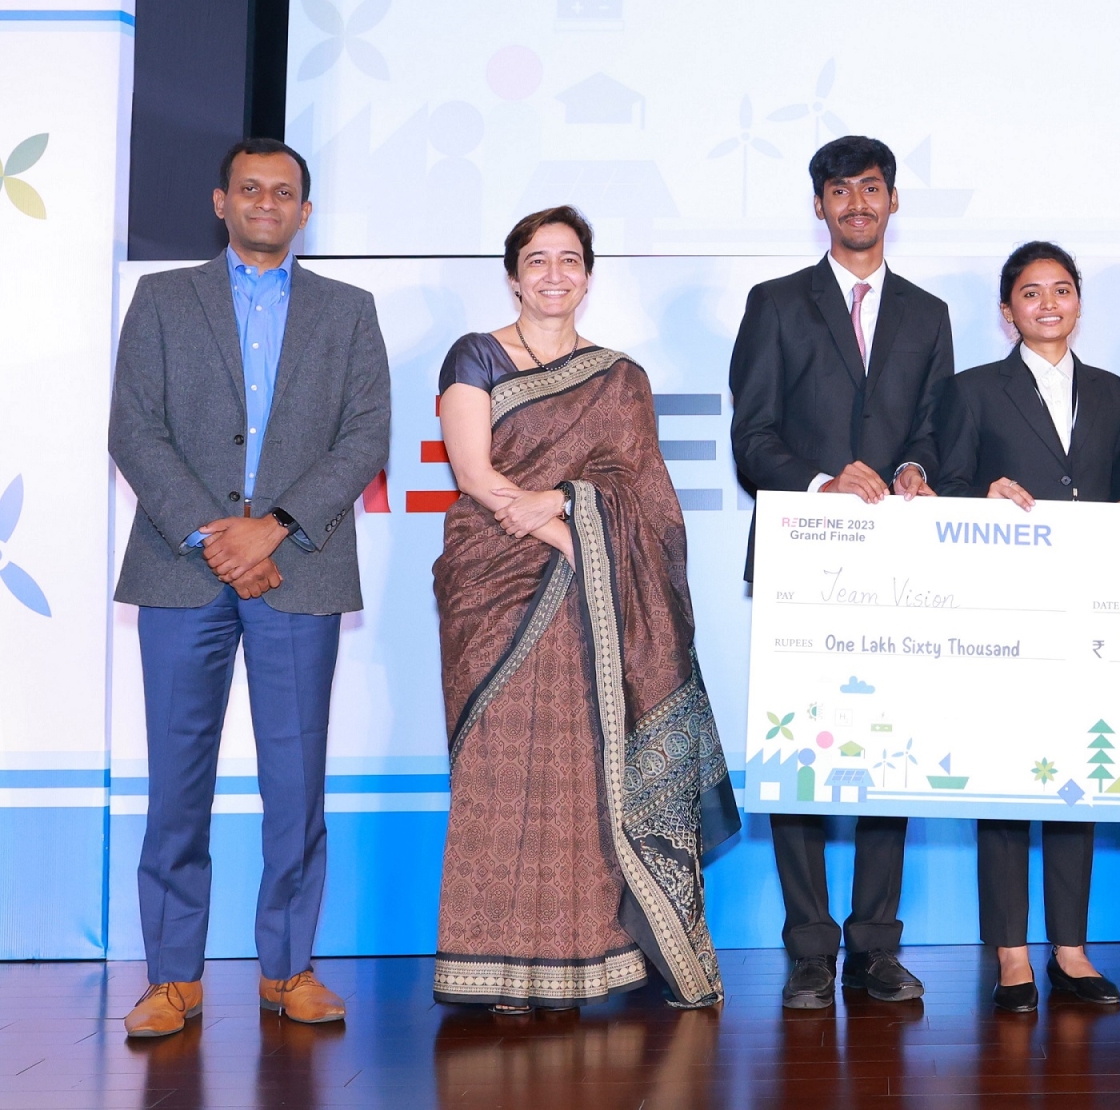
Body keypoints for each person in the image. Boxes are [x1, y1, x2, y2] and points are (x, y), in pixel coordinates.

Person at [108, 137, 391, 1037]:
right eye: (251, 189)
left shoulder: (348, 311)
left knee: (295, 783)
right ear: (221, 202)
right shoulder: (161, 300)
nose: (267, 202)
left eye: (285, 192)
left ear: (306, 212)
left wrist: (271, 527)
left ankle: (287, 970)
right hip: (179, 566)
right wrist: (213, 533)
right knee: (177, 785)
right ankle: (173, 979)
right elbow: (134, 430)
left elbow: (365, 436)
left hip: (296, 568)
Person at [431, 206, 738, 1012]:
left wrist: (568, 509)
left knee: (580, 773)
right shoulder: (475, 356)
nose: (554, 274)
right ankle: (498, 965)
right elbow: (472, 470)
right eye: (538, 260)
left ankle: (591, 958)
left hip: (594, 599)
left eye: (570, 260)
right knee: (499, 768)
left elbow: (648, 502)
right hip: (495, 586)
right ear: (514, 274)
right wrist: (562, 530)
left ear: (590, 275)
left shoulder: (621, 377)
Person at [728, 135, 954, 1009]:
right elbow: (753, 439)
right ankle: (810, 950)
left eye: (871, 188)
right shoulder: (776, 302)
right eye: (838, 190)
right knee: (801, 758)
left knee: (887, 754)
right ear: (818, 206)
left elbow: (933, 427)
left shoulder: (929, 313)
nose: (856, 202)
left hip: (899, 562)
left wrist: (914, 470)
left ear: (894, 201)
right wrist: (825, 481)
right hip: (802, 555)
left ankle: (874, 947)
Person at [935, 241, 1120, 1012]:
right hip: (1004, 612)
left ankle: (1072, 952)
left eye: (1061, 290)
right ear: (1007, 310)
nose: (1047, 304)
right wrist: (981, 491)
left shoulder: (1117, 393)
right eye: (1029, 293)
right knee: (1006, 780)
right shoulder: (973, 390)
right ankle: (1012, 956)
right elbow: (947, 485)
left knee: (1076, 780)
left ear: (1079, 302)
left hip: (1091, 612)